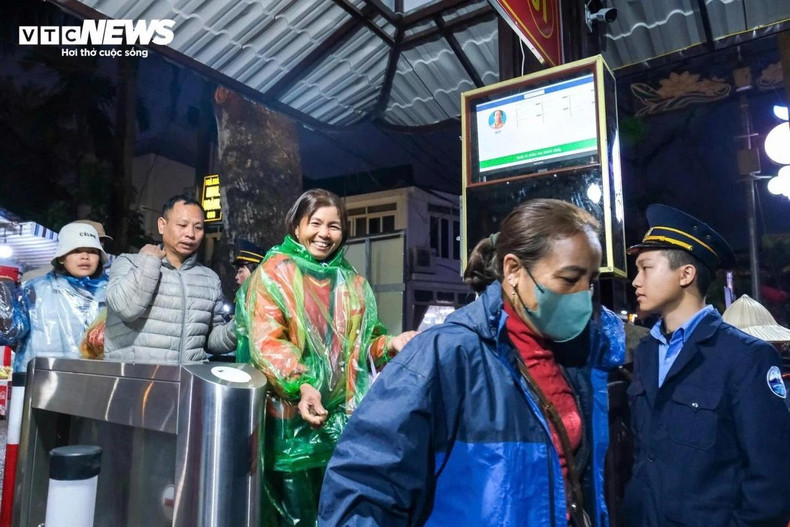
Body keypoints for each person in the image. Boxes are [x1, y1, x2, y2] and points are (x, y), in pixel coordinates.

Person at [319, 198, 625, 526]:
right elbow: (365, 490)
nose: (584, 295)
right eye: (569, 279)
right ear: (513, 270)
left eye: (590, 281)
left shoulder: (578, 358)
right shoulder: (446, 354)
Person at [234, 188, 416, 527]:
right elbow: (267, 343)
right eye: (315, 223)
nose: (324, 233)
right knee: (293, 517)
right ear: (297, 226)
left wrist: (391, 344)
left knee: (334, 514)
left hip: (339, 429)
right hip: (289, 426)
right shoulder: (276, 273)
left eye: (334, 226)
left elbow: (362, 345)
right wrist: (301, 385)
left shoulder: (352, 282)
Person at [624, 204, 790, 526]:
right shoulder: (646, 352)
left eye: (646, 268)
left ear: (686, 274)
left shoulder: (745, 356)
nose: (635, 281)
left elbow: (771, 480)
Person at [103, 194, 236, 362]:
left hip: (187, 382)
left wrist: (238, 326)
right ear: (161, 225)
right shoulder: (129, 263)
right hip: (136, 381)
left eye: (198, 227)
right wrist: (149, 262)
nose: (190, 234)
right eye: (182, 225)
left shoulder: (209, 279)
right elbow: (126, 309)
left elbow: (211, 341)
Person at [0, 222, 108, 371]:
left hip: (94, 381)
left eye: (92, 251)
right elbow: (9, 334)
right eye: (76, 250)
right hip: (38, 380)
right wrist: (4, 289)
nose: (85, 257)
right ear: (62, 257)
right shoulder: (35, 289)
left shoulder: (111, 292)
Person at [21, 219, 114, 282]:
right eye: (77, 250)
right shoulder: (37, 283)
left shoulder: (108, 287)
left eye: (102, 241)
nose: (85, 255)